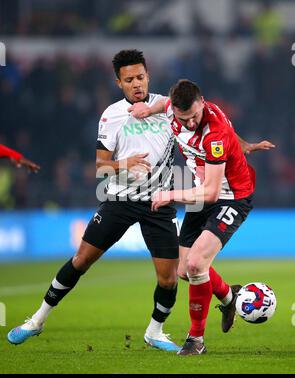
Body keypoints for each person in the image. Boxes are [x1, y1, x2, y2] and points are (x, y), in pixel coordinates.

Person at [7, 51, 273, 352]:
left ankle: (155, 332)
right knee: (81, 260)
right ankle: (37, 320)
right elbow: (100, 167)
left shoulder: (170, 108)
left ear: (148, 75)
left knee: (173, 277)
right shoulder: (111, 116)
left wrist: (244, 145)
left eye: (140, 77)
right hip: (119, 200)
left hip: (158, 206)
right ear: (118, 82)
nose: (136, 84)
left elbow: (219, 126)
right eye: (129, 79)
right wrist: (124, 164)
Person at [129, 79, 275, 355]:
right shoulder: (173, 109)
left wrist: (169, 195)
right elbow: (163, 104)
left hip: (230, 198)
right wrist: (148, 110)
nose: (191, 122)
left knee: (196, 264)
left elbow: (210, 192)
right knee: (183, 271)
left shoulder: (213, 134)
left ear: (203, 102)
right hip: (201, 191)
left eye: (195, 116)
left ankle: (196, 340)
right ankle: (229, 297)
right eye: (185, 118)